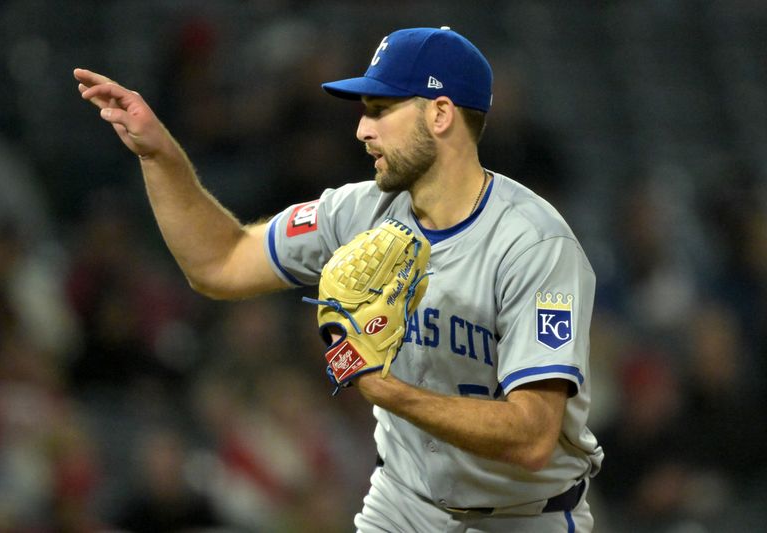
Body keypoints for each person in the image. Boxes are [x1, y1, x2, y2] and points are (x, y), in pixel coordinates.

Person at [75, 25, 603, 533]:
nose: (361, 129)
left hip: (525, 515)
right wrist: (160, 156)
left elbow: (533, 438)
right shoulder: (358, 212)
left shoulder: (533, 246)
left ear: (441, 114)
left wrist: (382, 389)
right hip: (404, 505)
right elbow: (221, 262)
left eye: (380, 109)